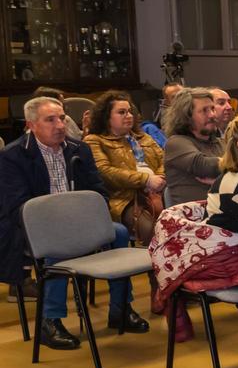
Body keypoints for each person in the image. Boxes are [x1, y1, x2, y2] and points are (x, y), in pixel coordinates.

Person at [0, 97, 148, 349]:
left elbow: (98, 191)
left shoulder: (78, 149)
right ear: (31, 124)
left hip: (80, 223)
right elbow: (16, 207)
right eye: (50, 120)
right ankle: (50, 321)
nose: (59, 125)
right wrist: (59, 221)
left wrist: (87, 218)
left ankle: (120, 309)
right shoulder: (13, 156)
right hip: (33, 229)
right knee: (60, 246)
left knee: (119, 232)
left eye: (62, 118)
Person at [84, 90, 166, 245]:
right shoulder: (95, 141)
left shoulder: (144, 137)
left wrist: (160, 179)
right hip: (123, 198)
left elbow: (165, 160)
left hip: (159, 191)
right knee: (153, 230)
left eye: (130, 112)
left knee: (180, 222)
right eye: (121, 112)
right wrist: (146, 180)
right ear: (106, 117)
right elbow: (104, 171)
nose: (129, 116)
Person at [163, 87, 222, 205]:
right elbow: (203, 165)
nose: (212, 115)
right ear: (186, 116)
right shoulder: (176, 143)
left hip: (224, 214)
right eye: (204, 110)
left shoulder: (221, 143)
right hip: (194, 219)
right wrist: (236, 164)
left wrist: (221, 181)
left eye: (212, 109)